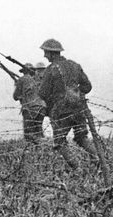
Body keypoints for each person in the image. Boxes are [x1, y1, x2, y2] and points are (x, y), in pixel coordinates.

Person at [38, 38, 98, 170]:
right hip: (78, 109)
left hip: (60, 112)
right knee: (82, 138)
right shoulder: (75, 65)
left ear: (52, 53)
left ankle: (77, 169)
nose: (44, 55)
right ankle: (97, 160)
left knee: (59, 143)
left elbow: (42, 93)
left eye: (46, 52)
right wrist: (75, 93)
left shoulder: (51, 69)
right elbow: (87, 86)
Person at [13, 63, 46, 143]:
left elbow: (15, 96)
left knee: (29, 134)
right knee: (38, 130)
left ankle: (32, 150)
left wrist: (17, 85)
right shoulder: (38, 79)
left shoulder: (22, 79)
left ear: (23, 71)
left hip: (30, 108)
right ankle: (41, 148)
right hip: (42, 107)